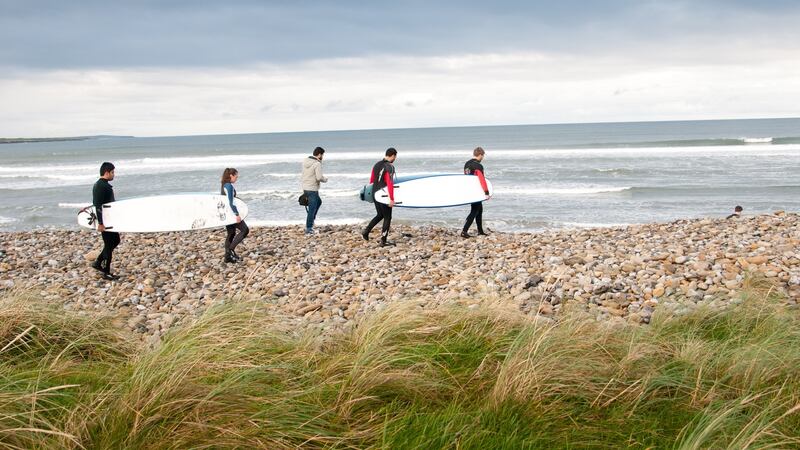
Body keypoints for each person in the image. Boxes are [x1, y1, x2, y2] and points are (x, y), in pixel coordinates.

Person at [91, 162, 121, 280]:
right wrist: (101, 223)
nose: (114, 175)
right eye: (112, 172)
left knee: (114, 241)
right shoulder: (100, 186)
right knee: (109, 244)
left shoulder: (103, 185)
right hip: (106, 221)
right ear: (106, 172)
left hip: (109, 220)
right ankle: (106, 271)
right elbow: (98, 205)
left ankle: (99, 263)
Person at [362, 148, 397, 246]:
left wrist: (372, 194)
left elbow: (372, 180)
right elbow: (389, 183)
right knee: (387, 217)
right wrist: (391, 198)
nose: (395, 159)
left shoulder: (376, 164)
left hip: (375, 193)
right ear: (393, 155)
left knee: (380, 215)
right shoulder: (389, 167)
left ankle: (366, 231)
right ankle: (383, 241)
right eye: (395, 157)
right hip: (383, 195)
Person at [221, 168, 249, 263]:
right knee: (245, 230)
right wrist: (236, 214)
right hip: (231, 213)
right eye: (236, 176)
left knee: (231, 233)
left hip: (227, 213)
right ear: (231, 175)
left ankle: (227, 257)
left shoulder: (224, 185)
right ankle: (230, 251)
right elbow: (230, 202)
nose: (237, 178)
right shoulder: (228, 186)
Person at [462, 147, 490, 238]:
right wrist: (486, 192)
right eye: (483, 156)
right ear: (480, 155)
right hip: (476, 191)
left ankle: (480, 231)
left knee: (479, 210)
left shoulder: (467, 164)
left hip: (469, 190)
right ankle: (464, 231)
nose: (483, 158)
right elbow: (482, 179)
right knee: (474, 210)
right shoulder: (478, 166)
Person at [301, 146, 328, 235]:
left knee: (318, 202)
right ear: (319, 154)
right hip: (312, 189)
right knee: (312, 208)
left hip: (306, 188)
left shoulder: (305, 161)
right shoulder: (317, 163)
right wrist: (325, 179)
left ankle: (312, 220)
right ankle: (309, 229)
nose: (323, 157)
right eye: (322, 155)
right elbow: (319, 177)